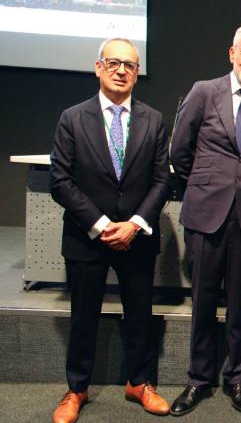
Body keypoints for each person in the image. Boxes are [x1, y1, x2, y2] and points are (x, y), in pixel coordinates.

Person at [49, 37, 171, 423]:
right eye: (114, 63)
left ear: (137, 74)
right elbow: (60, 181)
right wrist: (102, 225)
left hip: (136, 238)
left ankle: (140, 383)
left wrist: (134, 224)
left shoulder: (154, 119)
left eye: (130, 65)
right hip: (88, 237)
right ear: (98, 67)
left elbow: (162, 181)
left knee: (140, 315)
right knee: (83, 317)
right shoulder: (72, 117)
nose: (122, 70)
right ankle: (77, 389)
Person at [169, 24, 241, 416]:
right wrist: (208, 185)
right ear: (231, 53)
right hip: (206, 214)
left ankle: (236, 380)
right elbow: (180, 151)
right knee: (203, 302)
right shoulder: (204, 92)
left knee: (240, 304)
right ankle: (198, 380)